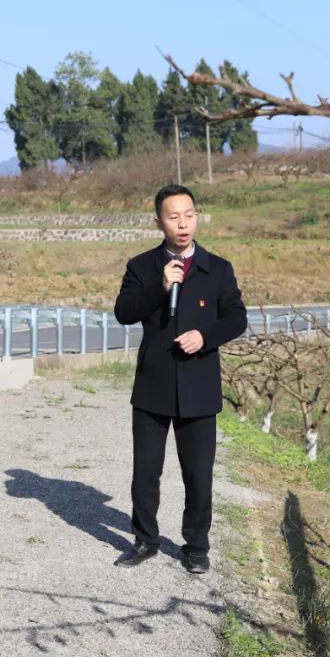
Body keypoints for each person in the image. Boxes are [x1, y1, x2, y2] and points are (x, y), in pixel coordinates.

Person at [113, 184, 247, 574]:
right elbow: (124, 311)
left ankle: (196, 546)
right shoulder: (142, 267)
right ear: (159, 222)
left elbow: (237, 318)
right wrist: (160, 286)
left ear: (197, 216)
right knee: (146, 471)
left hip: (199, 386)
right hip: (153, 384)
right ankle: (145, 540)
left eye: (188, 215)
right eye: (173, 217)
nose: (183, 224)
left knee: (198, 473)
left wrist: (206, 337)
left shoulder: (218, 268)